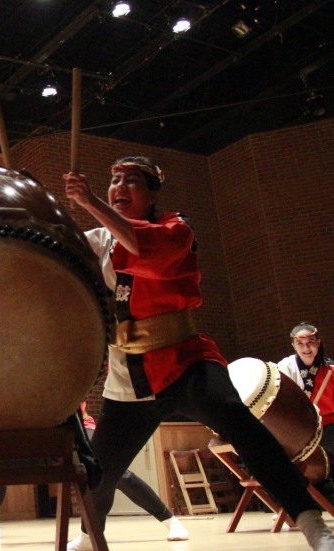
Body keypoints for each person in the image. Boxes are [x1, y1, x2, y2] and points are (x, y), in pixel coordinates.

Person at [60, 156, 334, 551]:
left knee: (242, 426)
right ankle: (89, 537)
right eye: (113, 179)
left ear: (153, 193)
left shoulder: (176, 228)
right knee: (101, 470)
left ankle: (311, 522)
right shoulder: (98, 240)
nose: (118, 187)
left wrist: (90, 203)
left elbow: (143, 249)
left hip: (185, 361)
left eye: (131, 181)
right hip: (129, 375)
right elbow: (57, 246)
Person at [0, 404, 187, 545]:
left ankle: (170, 521)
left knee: (116, 473)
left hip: (77, 431)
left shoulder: (62, 366)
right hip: (44, 437)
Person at [277, 323, 334, 457]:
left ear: (318, 343)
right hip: (303, 427)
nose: (306, 347)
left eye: (310, 342)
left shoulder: (330, 369)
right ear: (293, 346)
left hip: (328, 424)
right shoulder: (285, 368)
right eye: (300, 343)